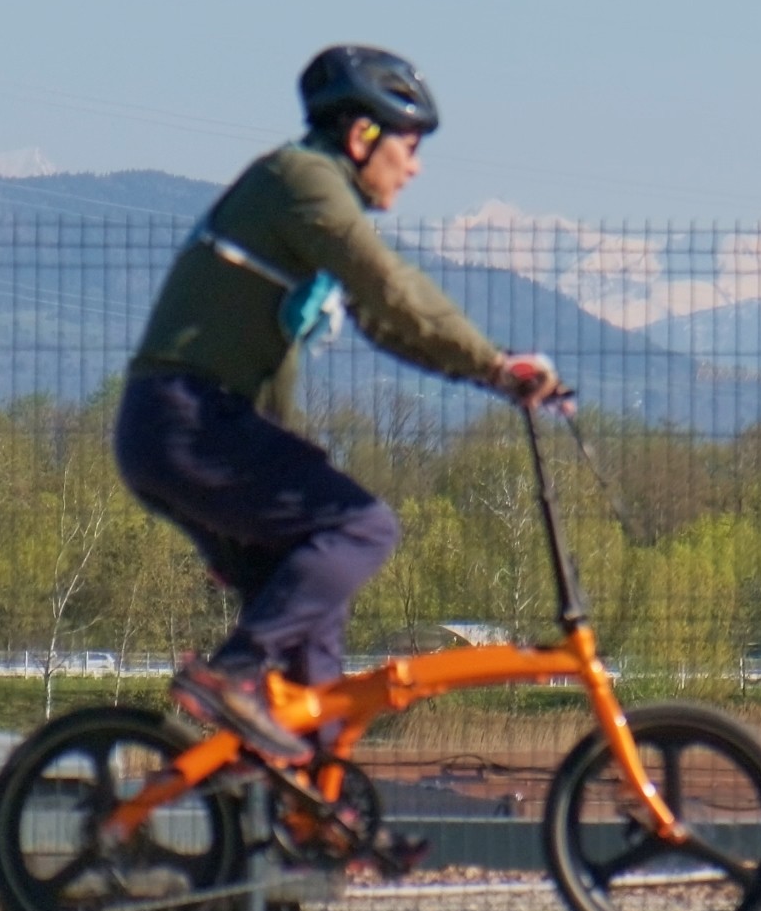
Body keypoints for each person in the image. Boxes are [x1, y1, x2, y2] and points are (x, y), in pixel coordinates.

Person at [115, 45, 564, 764]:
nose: (414, 169)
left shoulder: (307, 201)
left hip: (197, 429)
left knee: (313, 625)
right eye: (409, 148)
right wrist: (494, 363)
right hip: (190, 421)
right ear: (362, 138)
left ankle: (315, 817)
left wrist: (492, 378)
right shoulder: (303, 183)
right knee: (363, 528)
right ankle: (231, 675)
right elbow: (390, 289)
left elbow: (389, 326)